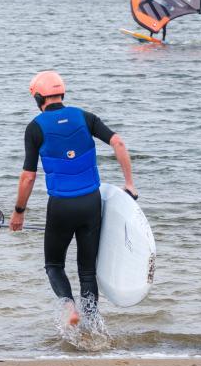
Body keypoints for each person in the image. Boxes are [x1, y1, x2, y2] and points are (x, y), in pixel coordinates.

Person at [9, 70, 137, 327]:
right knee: (87, 271)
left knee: (54, 265)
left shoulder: (35, 128)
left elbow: (28, 177)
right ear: (62, 93)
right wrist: (129, 184)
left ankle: (69, 307)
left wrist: (19, 211)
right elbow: (119, 143)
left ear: (38, 97)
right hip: (91, 202)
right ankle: (93, 326)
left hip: (61, 206)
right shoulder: (84, 117)